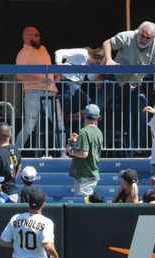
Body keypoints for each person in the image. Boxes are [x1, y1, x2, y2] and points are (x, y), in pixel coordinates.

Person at [98, 21, 155, 150]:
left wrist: (150, 68)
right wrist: (109, 59)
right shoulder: (128, 36)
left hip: (135, 83)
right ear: (138, 32)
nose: (144, 39)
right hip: (114, 78)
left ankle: (140, 148)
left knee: (142, 111)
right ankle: (83, 143)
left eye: (148, 38)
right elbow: (107, 43)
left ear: (153, 39)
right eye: (142, 35)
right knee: (95, 107)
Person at [15, 26, 65, 157]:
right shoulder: (22, 53)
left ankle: (64, 152)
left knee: (59, 123)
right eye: (35, 35)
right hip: (33, 92)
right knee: (30, 124)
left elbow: (48, 69)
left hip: (50, 91)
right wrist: (41, 78)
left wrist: (55, 75)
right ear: (26, 36)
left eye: (39, 35)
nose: (39, 37)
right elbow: (19, 75)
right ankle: (14, 153)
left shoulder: (43, 49)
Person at [54, 47, 104, 125]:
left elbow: (91, 77)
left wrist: (100, 71)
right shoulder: (82, 53)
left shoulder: (89, 64)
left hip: (75, 84)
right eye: (97, 62)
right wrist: (59, 64)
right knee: (85, 101)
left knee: (77, 104)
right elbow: (59, 52)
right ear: (95, 56)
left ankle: (72, 117)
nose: (95, 65)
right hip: (66, 81)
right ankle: (73, 117)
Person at [67, 104, 103, 196]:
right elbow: (90, 146)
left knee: (82, 207)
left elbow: (83, 153)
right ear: (98, 117)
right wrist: (78, 140)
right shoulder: (99, 132)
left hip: (84, 175)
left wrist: (71, 150)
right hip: (91, 173)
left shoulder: (84, 132)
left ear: (84, 115)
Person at [0, 122, 22, 202]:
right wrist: (11, 179)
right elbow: (19, 169)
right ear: (10, 135)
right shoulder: (16, 150)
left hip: (0, 196)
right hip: (13, 193)